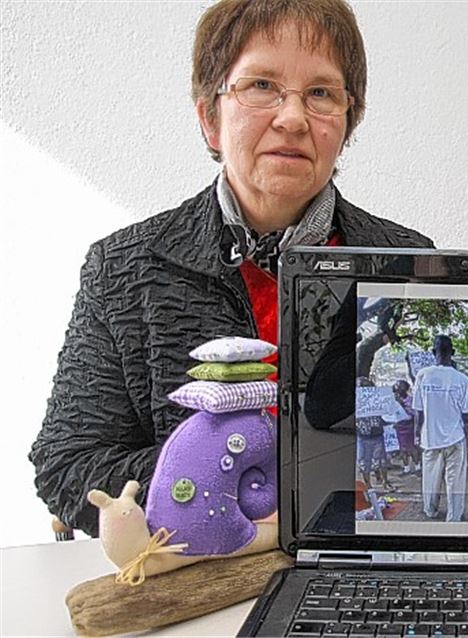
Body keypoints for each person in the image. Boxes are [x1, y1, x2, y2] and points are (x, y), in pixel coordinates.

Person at [28, 0, 433, 537]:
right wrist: (231, 489)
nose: (292, 118)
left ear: (346, 123)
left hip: (356, 560)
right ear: (209, 118)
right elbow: (68, 463)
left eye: (320, 94)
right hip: (195, 571)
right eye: (261, 85)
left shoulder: (407, 259)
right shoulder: (123, 267)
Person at [412, 335, 468, 522]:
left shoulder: (423, 375)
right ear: (453, 353)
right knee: (455, 481)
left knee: (430, 479)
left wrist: (417, 436)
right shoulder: (463, 380)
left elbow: (419, 411)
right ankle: (454, 517)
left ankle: (430, 510)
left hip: (429, 438)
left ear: (433, 352)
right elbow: (467, 417)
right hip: (455, 439)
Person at [391, 380, 420, 476]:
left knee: (412, 448)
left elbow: (413, 413)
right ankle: (406, 468)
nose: (399, 391)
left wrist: (402, 405)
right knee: (402, 449)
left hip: (409, 426)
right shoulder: (394, 400)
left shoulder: (411, 400)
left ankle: (417, 467)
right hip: (399, 426)